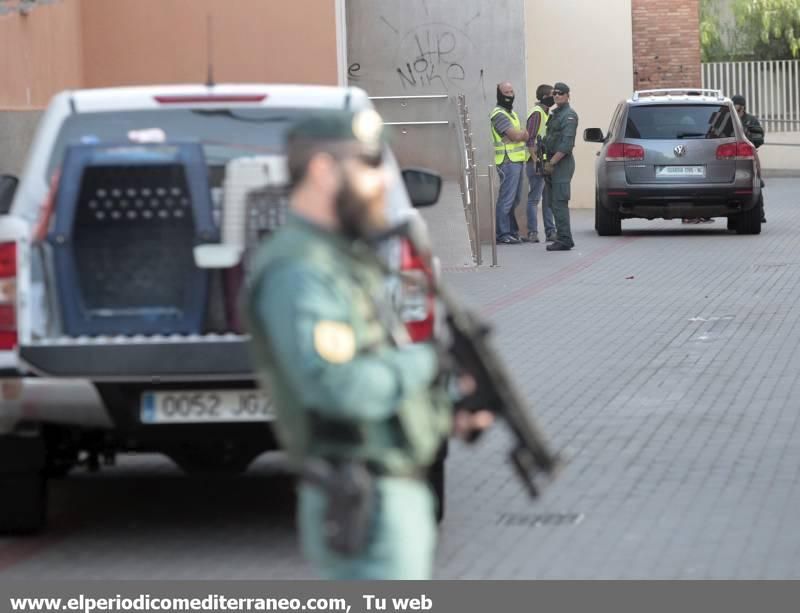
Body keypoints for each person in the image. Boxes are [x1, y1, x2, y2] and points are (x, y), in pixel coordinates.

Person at [244, 109, 491, 580]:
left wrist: (445, 408)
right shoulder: (300, 269)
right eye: (370, 164)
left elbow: (375, 360)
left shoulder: (342, 256)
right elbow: (340, 387)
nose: (382, 181)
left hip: (387, 489)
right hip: (362, 498)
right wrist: (427, 362)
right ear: (322, 170)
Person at [490, 82, 529, 244]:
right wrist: (522, 134)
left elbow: (519, 135)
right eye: (506, 92)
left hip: (517, 160)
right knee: (506, 199)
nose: (510, 95)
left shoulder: (511, 113)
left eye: (512, 91)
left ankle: (512, 232)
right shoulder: (498, 114)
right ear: (499, 94)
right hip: (507, 161)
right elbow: (516, 136)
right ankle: (502, 234)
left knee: (515, 199)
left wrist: (520, 135)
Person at [542, 82, 579, 251]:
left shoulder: (569, 116)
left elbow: (566, 145)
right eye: (555, 93)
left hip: (561, 163)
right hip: (551, 162)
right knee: (552, 202)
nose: (557, 96)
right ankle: (562, 236)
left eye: (561, 93)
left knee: (559, 202)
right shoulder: (555, 114)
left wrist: (552, 163)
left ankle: (564, 239)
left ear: (567, 96)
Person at [524, 84, 557, 243]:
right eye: (552, 94)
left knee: (548, 198)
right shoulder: (537, 113)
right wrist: (535, 159)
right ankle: (532, 232)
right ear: (545, 97)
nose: (555, 97)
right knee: (534, 198)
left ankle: (550, 231)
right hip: (536, 162)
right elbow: (529, 138)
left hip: (545, 161)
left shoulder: (545, 113)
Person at [732, 94, 767, 222]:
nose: (735, 107)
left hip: (750, 155)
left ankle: (760, 214)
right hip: (732, 156)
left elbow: (759, 137)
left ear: (742, 106)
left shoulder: (750, 120)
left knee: (756, 183)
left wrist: (750, 141)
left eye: (737, 104)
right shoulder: (729, 119)